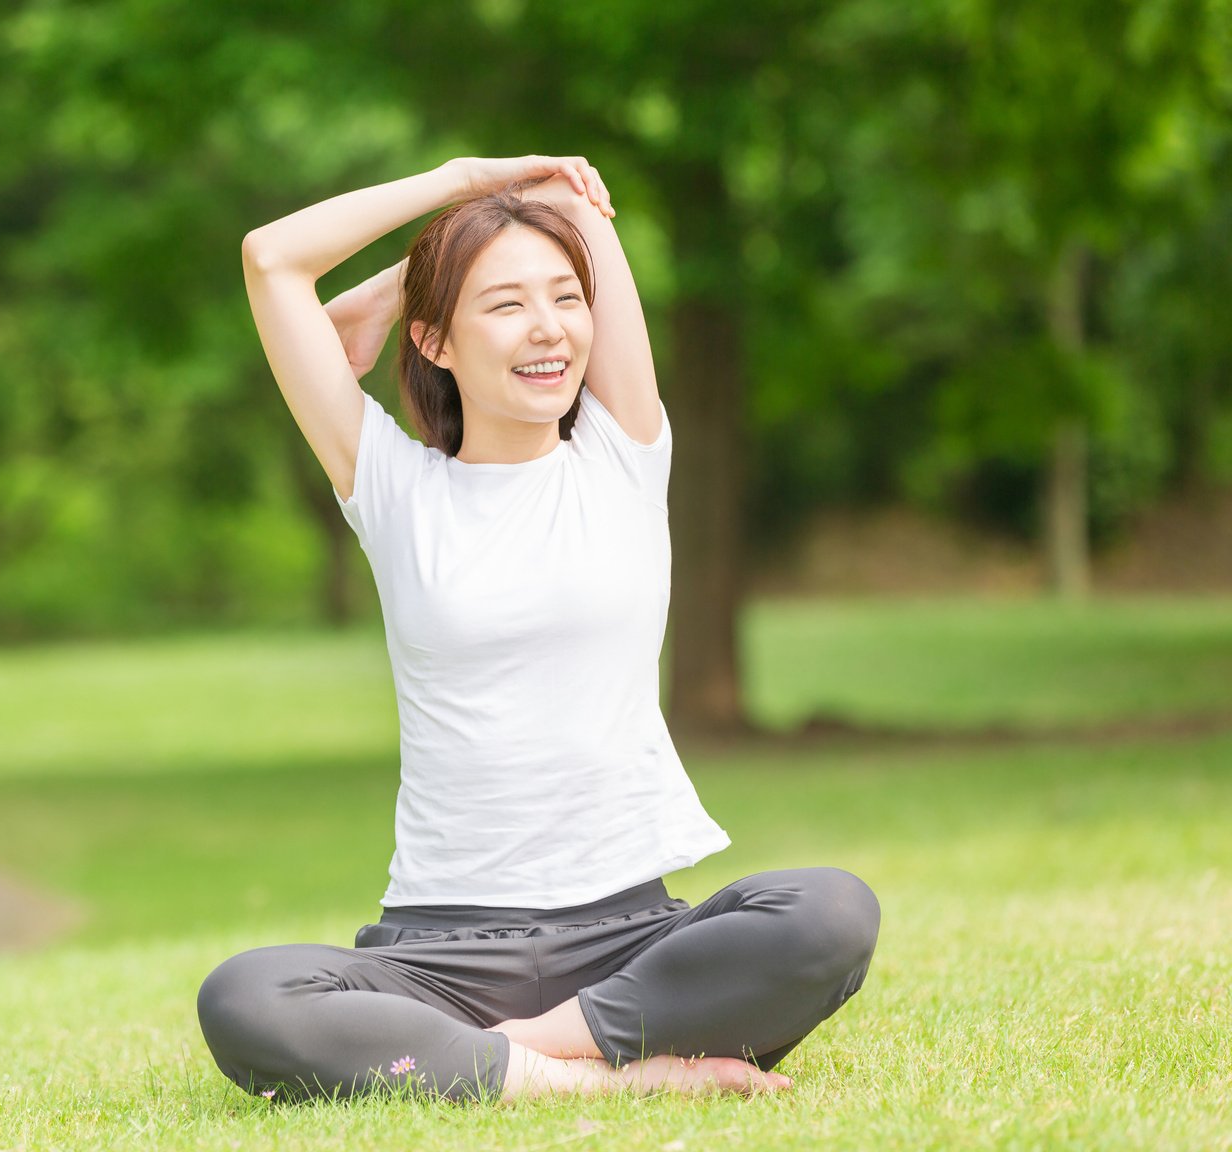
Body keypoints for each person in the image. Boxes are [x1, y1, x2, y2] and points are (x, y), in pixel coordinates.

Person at [197, 155, 880, 1104]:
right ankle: (614, 1080)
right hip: (439, 954)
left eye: (564, 297)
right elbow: (273, 259)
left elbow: (568, 198)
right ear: (434, 338)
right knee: (246, 997)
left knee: (829, 912)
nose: (549, 326)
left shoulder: (624, 453)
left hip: (630, 941)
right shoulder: (392, 488)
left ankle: (500, 1060)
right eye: (505, 305)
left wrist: (459, 254)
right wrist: (462, 182)